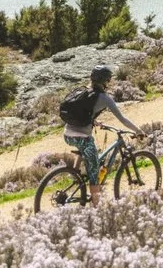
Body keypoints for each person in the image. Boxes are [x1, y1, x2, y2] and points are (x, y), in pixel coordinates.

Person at [61, 65, 143, 203]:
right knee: (94, 174)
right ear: (104, 81)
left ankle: (76, 177)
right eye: (108, 80)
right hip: (82, 138)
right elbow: (122, 119)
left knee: (87, 149)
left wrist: (93, 120)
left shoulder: (84, 91)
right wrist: (138, 131)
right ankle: (96, 209)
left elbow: (84, 112)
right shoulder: (105, 98)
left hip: (67, 134)